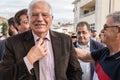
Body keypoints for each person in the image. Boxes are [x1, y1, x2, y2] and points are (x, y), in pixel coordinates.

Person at [0, 0, 83, 80]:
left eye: (45, 15)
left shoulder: (65, 40)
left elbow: (76, 71)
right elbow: (4, 76)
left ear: (52, 18)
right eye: (35, 14)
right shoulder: (13, 43)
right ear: (28, 18)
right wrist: (28, 60)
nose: (40, 19)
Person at [75, 11, 120, 80]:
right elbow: (85, 56)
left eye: (105, 27)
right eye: (79, 33)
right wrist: (66, 45)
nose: (101, 30)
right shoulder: (105, 51)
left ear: (117, 30)